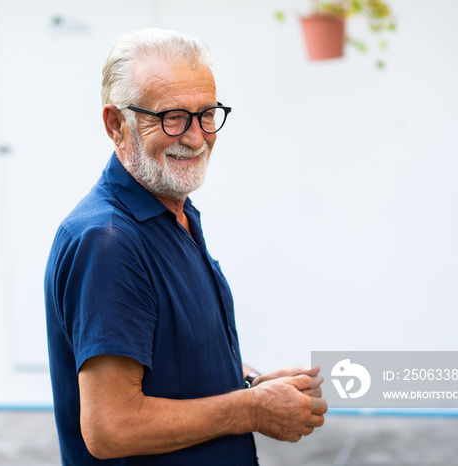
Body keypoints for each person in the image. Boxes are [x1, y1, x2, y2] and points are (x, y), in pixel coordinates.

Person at [44, 28, 327, 465]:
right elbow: (111, 426)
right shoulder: (108, 241)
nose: (195, 137)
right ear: (116, 125)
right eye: (171, 116)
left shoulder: (175, 212)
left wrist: (253, 383)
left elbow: (178, 361)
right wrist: (253, 409)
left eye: (207, 114)